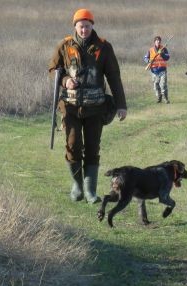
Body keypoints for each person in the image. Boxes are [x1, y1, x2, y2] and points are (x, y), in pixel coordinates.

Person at [48, 8, 127, 204]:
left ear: (93, 26)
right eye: (81, 26)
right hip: (70, 107)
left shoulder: (104, 47)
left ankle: (91, 191)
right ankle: (77, 186)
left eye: (88, 26)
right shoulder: (64, 46)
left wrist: (121, 105)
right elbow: (52, 70)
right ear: (75, 26)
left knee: (92, 147)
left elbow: (114, 77)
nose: (84, 30)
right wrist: (65, 80)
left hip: (95, 108)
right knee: (73, 145)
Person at [144, 36, 171, 103]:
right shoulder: (150, 50)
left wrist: (162, 54)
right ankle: (159, 98)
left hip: (162, 70)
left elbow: (167, 57)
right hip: (154, 71)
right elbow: (145, 58)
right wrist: (148, 61)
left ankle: (166, 99)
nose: (158, 41)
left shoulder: (164, 49)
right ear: (154, 42)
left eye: (159, 40)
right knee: (156, 86)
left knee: (163, 85)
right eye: (156, 40)